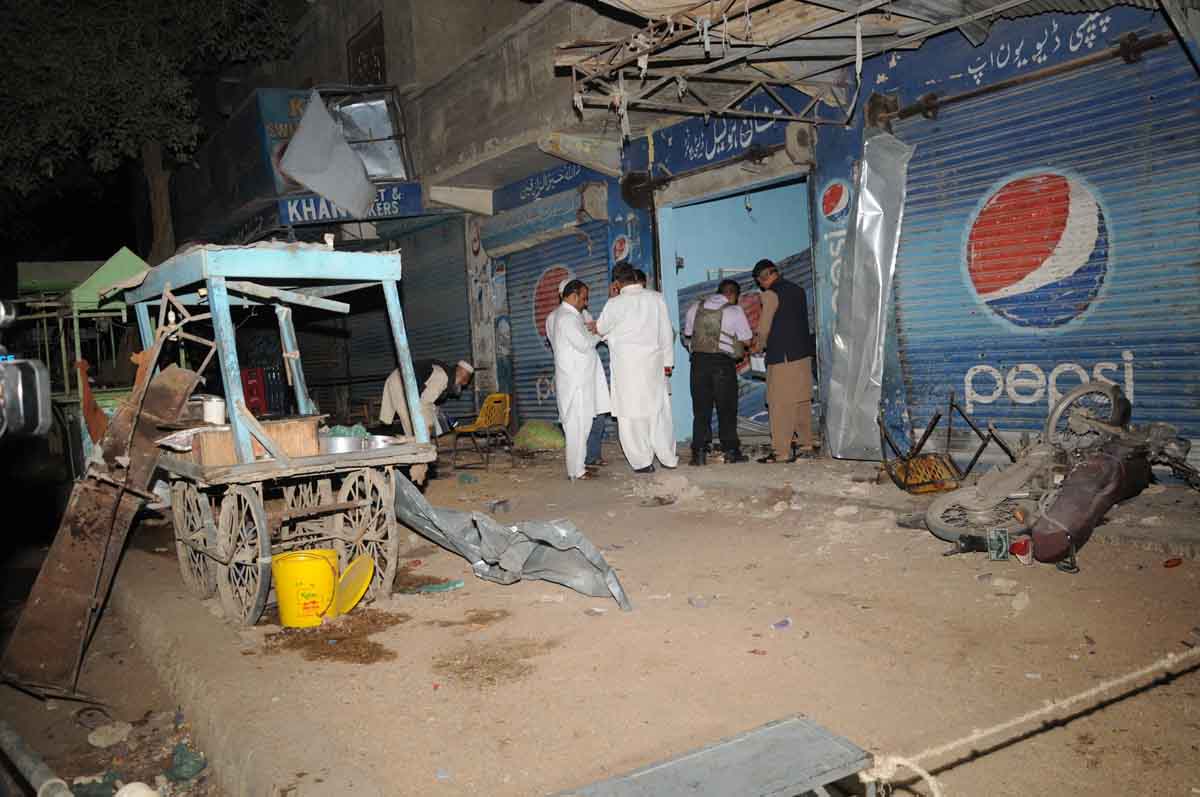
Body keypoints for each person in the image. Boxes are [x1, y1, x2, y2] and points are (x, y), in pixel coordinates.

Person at [596, 263, 678, 473]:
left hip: (626, 367)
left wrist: (611, 300)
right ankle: (668, 458)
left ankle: (642, 462)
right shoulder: (656, 298)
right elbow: (666, 333)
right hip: (653, 364)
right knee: (658, 412)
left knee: (630, 415)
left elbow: (601, 328)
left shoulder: (614, 304)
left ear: (616, 283)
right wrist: (667, 362)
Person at [752, 258, 816, 463]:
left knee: (779, 403)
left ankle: (781, 452)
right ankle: (806, 444)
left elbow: (764, 326)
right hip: (803, 354)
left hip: (783, 356)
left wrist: (758, 345)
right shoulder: (798, 290)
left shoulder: (770, 294)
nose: (760, 285)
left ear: (765, 277)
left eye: (759, 281)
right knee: (801, 400)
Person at [546, 279, 611, 480]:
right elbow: (584, 344)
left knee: (579, 428)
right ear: (573, 296)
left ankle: (578, 467)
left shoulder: (564, 316)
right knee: (577, 428)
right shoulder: (567, 318)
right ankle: (577, 470)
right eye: (583, 298)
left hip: (576, 380)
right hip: (576, 383)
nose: (586, 303)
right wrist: (599, 334)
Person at [683, 279, 753, 466]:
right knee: (727, 409)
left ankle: (699, 452)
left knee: (701, 409)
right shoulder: (734, 311)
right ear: (733, 294)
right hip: (723, 364)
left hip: (698, 363)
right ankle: (731, 451)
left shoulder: (694, 308)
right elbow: (747, 341)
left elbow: (688, 334)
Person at [380, 359, 474, 439]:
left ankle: (417, 447)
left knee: (421, 421)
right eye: (461, 384)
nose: (459, 387)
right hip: (401, 381)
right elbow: (425, 402)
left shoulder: (447, 375)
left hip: (404, 380)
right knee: (411, 422)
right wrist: (429, 423)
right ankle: (416, 451)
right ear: (461, 376)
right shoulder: (443, 377)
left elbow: (426, 397)